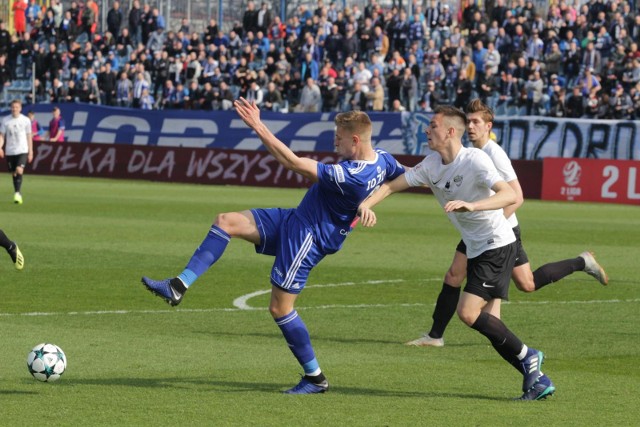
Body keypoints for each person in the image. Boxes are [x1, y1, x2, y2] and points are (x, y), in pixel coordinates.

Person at [140, 101, 405, 394]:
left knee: (280, 308)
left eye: (338, 137)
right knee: (226, 221)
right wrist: (367, 205)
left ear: (355, 140)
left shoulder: (352, 176)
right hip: (296, 218)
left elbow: (292, 162)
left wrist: (257, 125)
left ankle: (315, 377)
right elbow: (407, 177)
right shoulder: (382, 159)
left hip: (308, 237)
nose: (334, 142)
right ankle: (179, 284)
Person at [358, 105, 555, 401]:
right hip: (477, 247)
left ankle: (529, 357)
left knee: (468, 312)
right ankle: (535, 377)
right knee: (488, 321)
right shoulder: (431, 164)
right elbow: (392, 186)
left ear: (450, 131)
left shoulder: (475, 159)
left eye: (433, 126)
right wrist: (367, 204)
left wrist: (472, 205)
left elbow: (510, 194)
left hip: (497, 243)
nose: (427, 130)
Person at [406, 99, 608, 349]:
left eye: (476, 122)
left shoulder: (493, 153)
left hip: (499, 230)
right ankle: (439, 334)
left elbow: (517, 196)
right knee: (522, 283)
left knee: (484, 278)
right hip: (485, 229)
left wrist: (491, 225)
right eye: (467, 121)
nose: (470, 126)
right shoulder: (468, 153)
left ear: (488, 126)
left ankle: (441, 334)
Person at [0, 99, 33, 205]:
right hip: (10, 151)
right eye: (13, 107)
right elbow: (2, 136)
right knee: (14, 172)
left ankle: (18, 193)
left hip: (22, 149)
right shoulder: (5, 120)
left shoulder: (26, 120)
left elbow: (29, 136)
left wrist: (31, 151)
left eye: (17, 107)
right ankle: (17, 192)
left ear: (20, 108)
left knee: (19, 170)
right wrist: (0, 147)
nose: (14, 109)